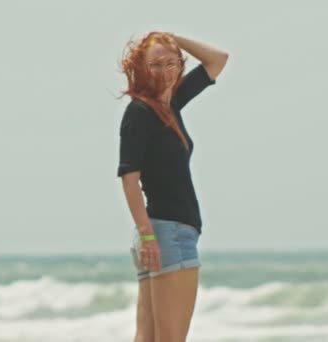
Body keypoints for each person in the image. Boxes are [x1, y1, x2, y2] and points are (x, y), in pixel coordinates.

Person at [117, 32, 228, 342]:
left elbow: (218, 60)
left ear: (180, 65)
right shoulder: (141, 112)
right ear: (141, 68)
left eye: (171, 63)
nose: (164, 71)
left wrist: (173, 38)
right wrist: (148, 235)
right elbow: (129, 177)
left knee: (149, 338)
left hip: (161, 233)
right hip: (167, 236)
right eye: (155, 64)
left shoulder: (169, 104)